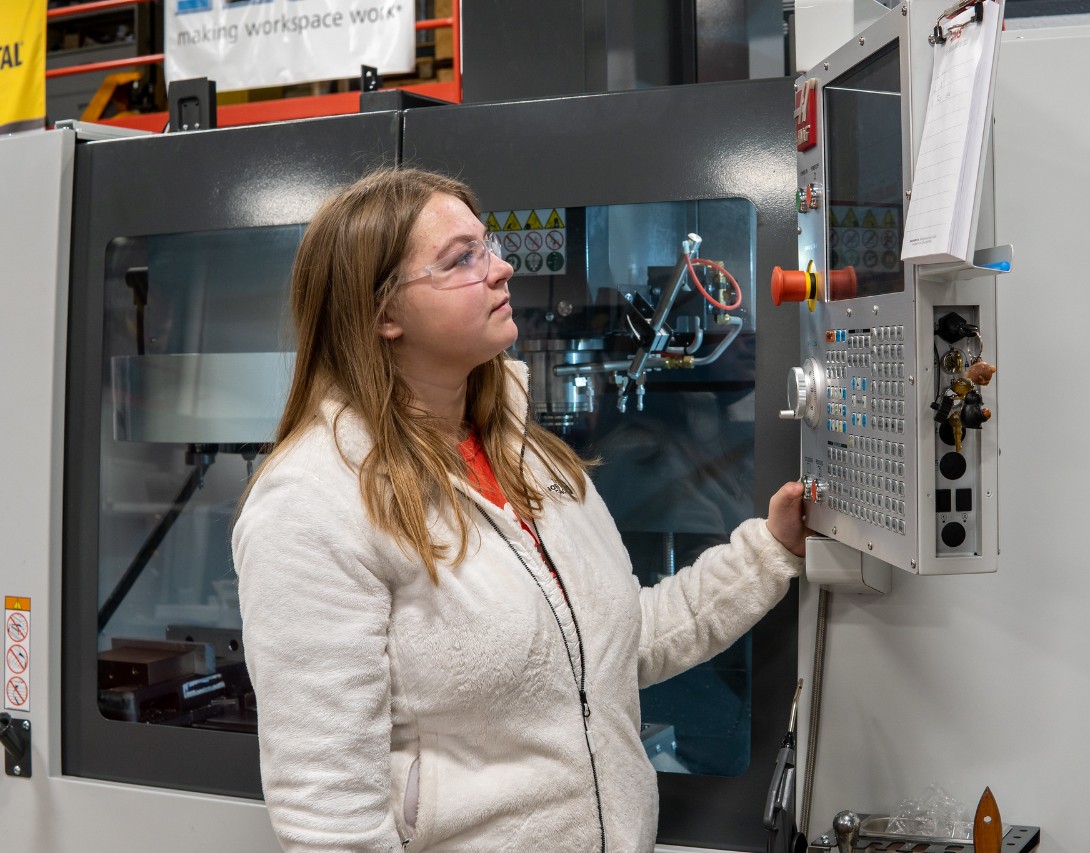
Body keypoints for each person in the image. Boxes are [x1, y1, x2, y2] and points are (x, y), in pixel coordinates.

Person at [233, 167, 808, 853]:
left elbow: (618, 642)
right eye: (462, 258)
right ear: (383, 313)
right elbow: (329, 818)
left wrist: (771, 548)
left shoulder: (532, 460)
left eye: (489, 244)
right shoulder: (314, 501)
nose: (503, 268)